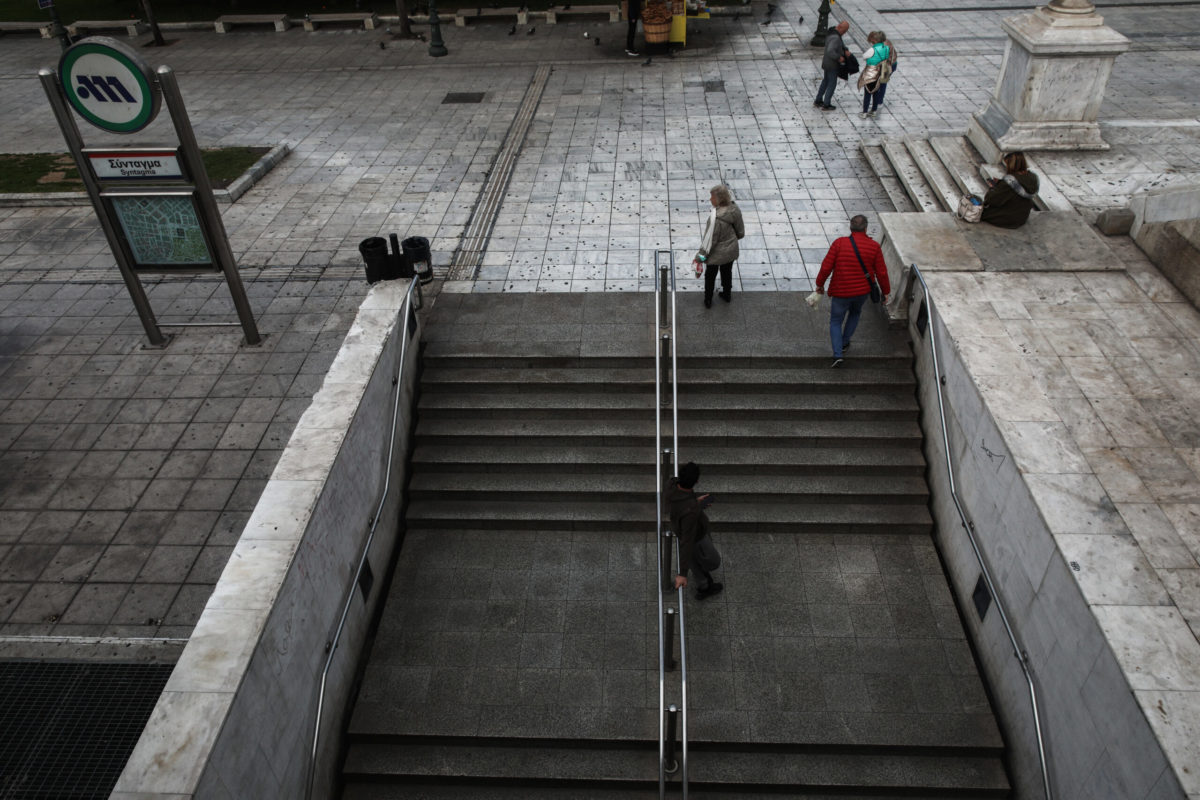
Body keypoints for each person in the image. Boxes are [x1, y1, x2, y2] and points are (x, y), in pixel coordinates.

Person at [815, 214, 890, 368]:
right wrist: (886, 292)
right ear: (866, 228)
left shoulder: (839, 244)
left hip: (841, 291)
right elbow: (881, 273)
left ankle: (837, 354)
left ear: (850, 227)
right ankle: (844, 342)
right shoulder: (874, 247)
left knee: (835, 321)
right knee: (855, 314)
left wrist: (819, 284)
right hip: (862, 292)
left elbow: (826, 267)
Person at [665, 462, 723, 600]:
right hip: (695, 535)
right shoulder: (690, 512)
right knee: (712, 560)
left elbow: (681, 505)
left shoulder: (671, 485)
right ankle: (704, 585)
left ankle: (703, 585)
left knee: (692, 558)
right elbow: (687, 541)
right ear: (696, 481)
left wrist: (695, 503)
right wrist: (682, 574)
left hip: (681, 526)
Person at [692, 184, 745, 308]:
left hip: (715, 255)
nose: (710, 199)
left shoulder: (715, 219)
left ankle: (708, 300)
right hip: (730, 250)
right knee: (727, 272)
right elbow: (740, 232)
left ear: (719, 199)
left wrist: (699, 258)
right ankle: (727, 294)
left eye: (712, 197)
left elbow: (710, 242)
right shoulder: (735, 209)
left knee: (710, 276)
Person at [981, 152, 1039, 229]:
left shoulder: (1008, 182)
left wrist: (994, 187)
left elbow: (990, 200)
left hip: (1008, 219)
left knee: (980, 212)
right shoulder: (1034, 177)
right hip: (1022, 217)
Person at [814, 21, 850, 111]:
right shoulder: (835, 37)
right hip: (832, 64)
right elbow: (831, 50)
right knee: (832, 83)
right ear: (840, 28)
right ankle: (826, 104)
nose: (844, 33)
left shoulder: (831, 32)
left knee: (825, 81)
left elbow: (839, 44)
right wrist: (839, 58)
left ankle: (818, 100)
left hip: (826, 62)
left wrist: (844, 49)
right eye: (844, 31)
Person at [859, 31, 896, 117]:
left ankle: (864, 112)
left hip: (871, 71)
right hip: (880, 71)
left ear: (875, 40)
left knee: (868, 92)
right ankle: (874, 110)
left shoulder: (873, 49)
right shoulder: (886, 48)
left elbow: (864, 56)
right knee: (876, 91)